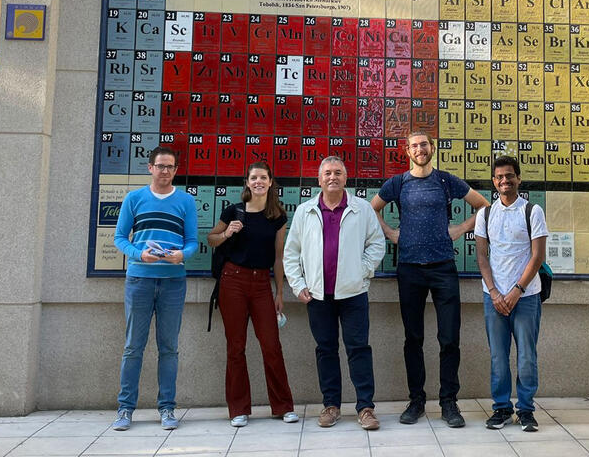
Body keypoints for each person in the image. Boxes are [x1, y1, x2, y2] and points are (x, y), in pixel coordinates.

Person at [371, 131, 489, 428]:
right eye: (414, 146)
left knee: (449, 338)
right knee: (413, 338)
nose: (420, 149)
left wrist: (461, 228)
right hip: (409, 268)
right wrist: (389, 232)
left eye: (424, 145)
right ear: (407, 151)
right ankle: (417, 401)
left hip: (443, 268)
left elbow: (484, 205)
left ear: (431, 148)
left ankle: (449, 402)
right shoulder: (397, 183)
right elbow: (370, 210)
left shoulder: (447, 180)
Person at [283, 156, 385, 430]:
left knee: (359, 349)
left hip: (353, 294)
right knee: (326, 350)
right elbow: (291, 253)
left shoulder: (361, 209)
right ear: (319, 179)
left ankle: (365, 407)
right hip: (317, 296)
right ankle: (331, 406)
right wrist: (298, 285)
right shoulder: (305, 211)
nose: (332, 177)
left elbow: (376, 245)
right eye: (327, 173)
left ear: (345, 177)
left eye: (337, 172)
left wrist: (359, 271)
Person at [112, 146, 198, 431]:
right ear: (150, 168)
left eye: (170, 167)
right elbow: (120, 238)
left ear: (176, 170)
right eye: (160, 166)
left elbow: (193, 241)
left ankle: (167, 408)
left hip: (173, 281)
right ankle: (125, 409)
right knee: (133, 347)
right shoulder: (134, 198)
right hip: (139, 280)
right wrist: (139, 255)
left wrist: (182, 255)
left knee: (169, 348)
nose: (165, 171)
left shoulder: (185, 201)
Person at [207, 162, 298, 427]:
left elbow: (279, 257)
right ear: (247, 183)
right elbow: (211, 239)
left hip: (261, 284)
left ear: (271, 182)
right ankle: (238, 409)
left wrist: (279, 292)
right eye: (253, 177)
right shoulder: (233, 210)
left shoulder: (278, 216)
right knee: (236, 347)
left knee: (271, 346)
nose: (258, 181)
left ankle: (283, 406)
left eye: (263, 177)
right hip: (232, 281)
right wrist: (227, 232)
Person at [475, 156, 548, 433]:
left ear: (518, 178)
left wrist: (517, 290)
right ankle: (502, 408)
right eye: (499, 177)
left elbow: (537, 256)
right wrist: (494, 292)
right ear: (494, 182)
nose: (504, 181)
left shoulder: (532, 211)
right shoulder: (485, 213)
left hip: (526, 297)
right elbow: (482, 257)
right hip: (493, 297)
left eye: (509, 176)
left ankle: (526, 410)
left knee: (527, 355)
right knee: (498, 356)